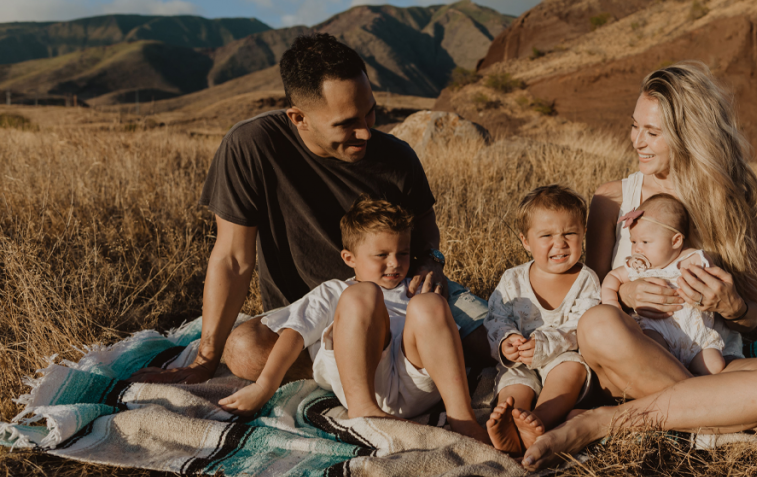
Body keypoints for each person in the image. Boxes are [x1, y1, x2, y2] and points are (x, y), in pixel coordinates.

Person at [521, 63, 757, 476]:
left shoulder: (736, 210)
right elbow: (588, 293)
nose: (637, 141)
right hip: (632, 356)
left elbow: (752, 316)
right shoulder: (614, 199)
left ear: (690, 136)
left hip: (710, 360)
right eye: (635, 127)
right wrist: (626, 295)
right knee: (599, 323)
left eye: (652, 133)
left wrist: (731, 305)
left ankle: (601, 422)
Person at [129, 33, 490, 386]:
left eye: (370, 113)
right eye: (347, 123)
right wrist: (205, 361)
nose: (365, 132)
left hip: (401, 300)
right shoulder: (252, 146)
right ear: (298, 118)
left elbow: (426, 231)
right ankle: (389, 366)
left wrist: (431, 261)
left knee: (501, 343)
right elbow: (232, 259)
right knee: (243, 351)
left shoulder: (397, 157)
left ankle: (392, 365)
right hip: (313, 317)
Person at [218, 196, 489, 443]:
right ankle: (363, 410)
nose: (394, 263)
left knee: (430, 303)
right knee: (363, 295)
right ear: (349, 258)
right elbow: (294, 333)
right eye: (382, 255)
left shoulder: (419, 285)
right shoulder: (336, 291)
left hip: (418, 383)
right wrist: (264, 387)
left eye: (402, 253)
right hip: (364, 383)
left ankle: (461, 418)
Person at [483, 186, 602, 456]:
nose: (559, 244)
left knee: (571, 370)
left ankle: (540, 421)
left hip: (562, 356)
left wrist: (547, 343)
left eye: (569, 234)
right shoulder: (512, 280)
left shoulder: (586, 281)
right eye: (546, 235)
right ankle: (512, 420)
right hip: (521, 359)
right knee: (514, 381)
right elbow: (495, 318)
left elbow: (580, 326)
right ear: (526, 241)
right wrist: (506, 342)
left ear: (583, 233)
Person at [600, 194, 725, 375]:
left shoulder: (694, 259)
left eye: (645, 242)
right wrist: (613, 307)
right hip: (656, 331)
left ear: (675, 241)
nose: (637, 249)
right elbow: (611, 279)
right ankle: (676, 378)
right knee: (651, 353)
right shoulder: (638, 266)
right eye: (633, 241)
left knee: (715, 366)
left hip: (697, 338)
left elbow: (714, 284)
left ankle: (694, 384)